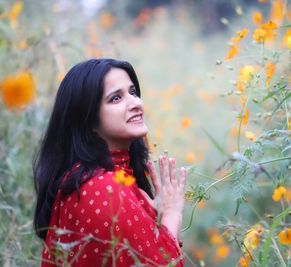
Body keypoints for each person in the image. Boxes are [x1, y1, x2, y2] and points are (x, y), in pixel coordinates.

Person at [33, 58, 187, 266]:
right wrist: (172, 213)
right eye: (116, 98)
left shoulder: (102, 179)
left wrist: (157, 223)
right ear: (88, 121)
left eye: (133, 92)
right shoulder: (101, 188)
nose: (136, 103)